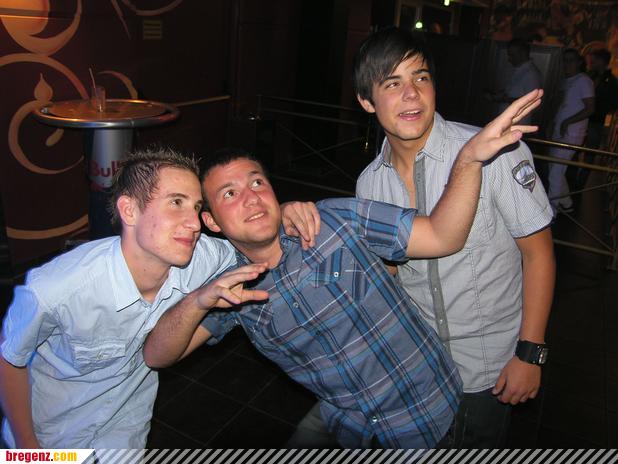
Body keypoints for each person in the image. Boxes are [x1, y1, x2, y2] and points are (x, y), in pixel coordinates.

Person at [143, 89, 543, 449]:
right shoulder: (231, 292)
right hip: (355, 431)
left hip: (435, 415)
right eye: (229, 194)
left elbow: (442, 236)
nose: (251, 198)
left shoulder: (335, 221)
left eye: (257, 183)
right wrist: (198, 301)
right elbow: (158, 355)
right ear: (211, 221)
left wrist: (469, 159)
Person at [0, 148, 318, 449]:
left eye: (196, 207)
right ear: (130, 210)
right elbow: (10, 360)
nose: (194, 224)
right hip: (51, 435)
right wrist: (29, 449)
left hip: (125, 434)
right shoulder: (57, 289)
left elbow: (251, 238)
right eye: (176, 202)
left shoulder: (202, 256)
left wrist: (282, 214)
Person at [353, 27, 555, 448]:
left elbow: (538, 254)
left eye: (421, 77)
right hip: (418, 367)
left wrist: (530, 353)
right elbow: (390, 276)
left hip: (490, 368)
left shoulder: (492, 151)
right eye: (393, 83)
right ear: (367, 101)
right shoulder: (369, 185)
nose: (412, 93)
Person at [546, 48, 595, 214]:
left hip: (572, 134)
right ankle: (566, 204)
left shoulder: (583, 81)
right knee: (556, 170)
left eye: (571, 60)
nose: (567, 64)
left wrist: (568, 121)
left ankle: (551, 212)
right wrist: (553, 123)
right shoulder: (566, 80)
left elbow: (590, 108)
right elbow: (562, 107)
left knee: (555, 172)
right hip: (559, 131)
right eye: (565, 60)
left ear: (579, 62)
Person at [488, 38, 543, 124]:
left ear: (522, 53)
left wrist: (504, 99)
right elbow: (513, 92)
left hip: (517, 123)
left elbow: (531, 102)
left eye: (512, 55)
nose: (509, 59)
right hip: (507, 121)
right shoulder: (518, 69)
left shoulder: (532, 74)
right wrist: (499, 95)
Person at [587, 48, 617, 150]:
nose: (591, 63)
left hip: (597, 121)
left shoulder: (611, 81)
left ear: (601, 61)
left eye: (593, 61)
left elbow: (613, 104)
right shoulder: (589, 76)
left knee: (591, 149)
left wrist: (606, 124)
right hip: (583, 119)